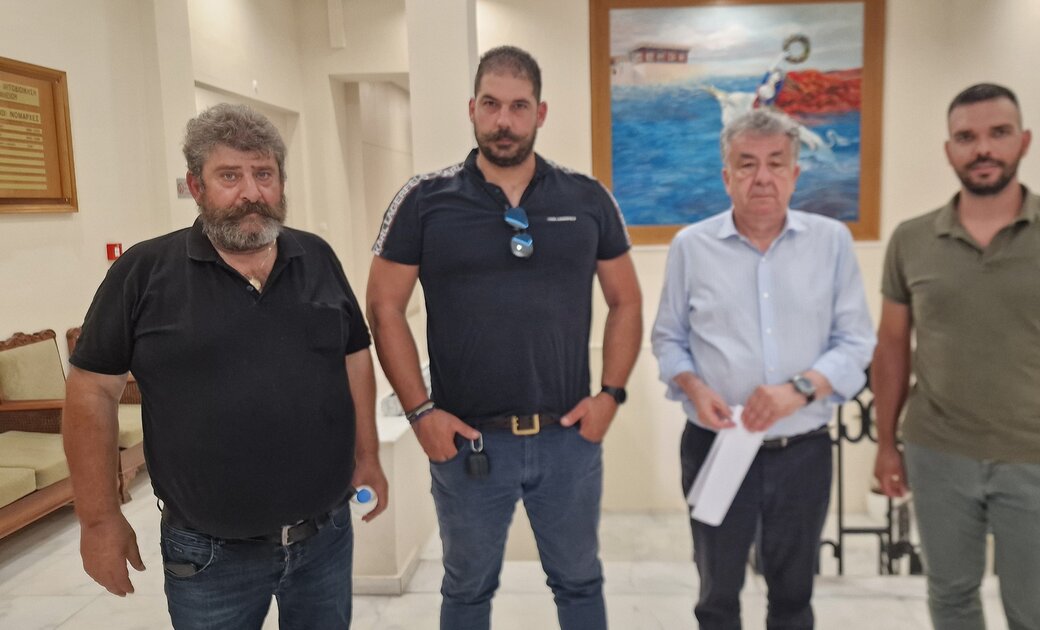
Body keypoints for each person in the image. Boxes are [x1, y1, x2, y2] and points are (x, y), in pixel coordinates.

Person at [63, 103, 388, 630]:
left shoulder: (317, 257)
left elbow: (354, 356)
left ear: (281, 182)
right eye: (229, 176)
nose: (251, 192)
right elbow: (92, 392)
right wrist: (99, 519)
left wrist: (368, 454)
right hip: (209, 555)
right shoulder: (143, 273)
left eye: (264, 174)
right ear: (196, 186)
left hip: (325, 538)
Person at [366, 45, 642, 630]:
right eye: (491, 104)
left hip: (568, 440)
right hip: (468, 444)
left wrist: (611, 396)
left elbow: (627, 299)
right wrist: (420, 413)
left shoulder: (586, 198)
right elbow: (383, 306)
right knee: (466, 591)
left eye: (519, 107)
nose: (504, 121)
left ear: (540, 113)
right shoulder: (424, 200)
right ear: (472, 108)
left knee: (579, 584)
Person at [872, 83, 1040, 630]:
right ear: (949, 151)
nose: (982, 148)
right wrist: (887, 445)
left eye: (998, 133)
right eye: (966, 137)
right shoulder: (911, 240)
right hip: (939, 452)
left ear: (1023, 141)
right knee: (950, 597)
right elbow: (891, 347)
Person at [651, 108, 875, 630]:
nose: (762, 177)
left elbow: (856, 340)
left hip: (802, 451)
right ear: (726, 176)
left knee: (793, 597)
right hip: (716, 447)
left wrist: (798, 390)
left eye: (776, 163)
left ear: (795, 174)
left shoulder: (831, 242)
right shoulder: (691, 247)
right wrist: (693, 385)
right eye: (747, 164)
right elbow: (668, 338)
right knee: (716, 596)